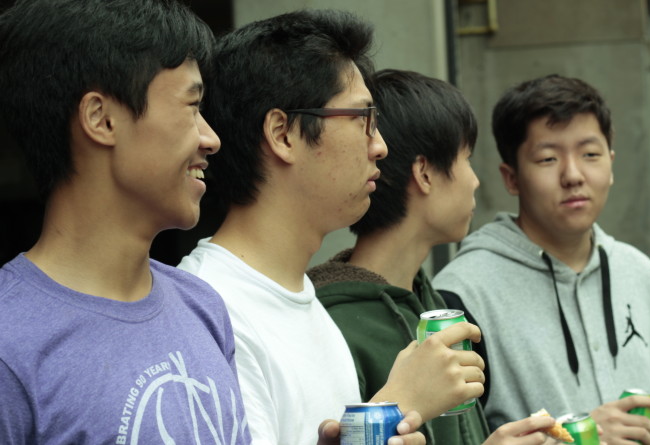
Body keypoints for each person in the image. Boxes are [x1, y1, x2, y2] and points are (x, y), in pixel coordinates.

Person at [178, 10, 481, 445]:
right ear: (283, 134)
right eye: (362, 119)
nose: (380, 146)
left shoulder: (306, 302)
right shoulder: (210, 310)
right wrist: (396, 404)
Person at [0, 0, 253, 443]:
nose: (210, 139)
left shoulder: (202, 306)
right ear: (101, 118)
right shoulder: (11, 344)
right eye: (192, 106)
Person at [308, 69, 564, 445]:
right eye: (466, 158)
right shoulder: (334, 326)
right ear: (425, 173)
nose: (475, 180)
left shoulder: (431, 302)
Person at [432, 74, 650, 445]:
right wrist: (580, 435)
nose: (573, 175)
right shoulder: (461, 296)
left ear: (610, 164)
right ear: (511, 178)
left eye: (590, 155)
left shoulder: (642, 277)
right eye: (547, 158)